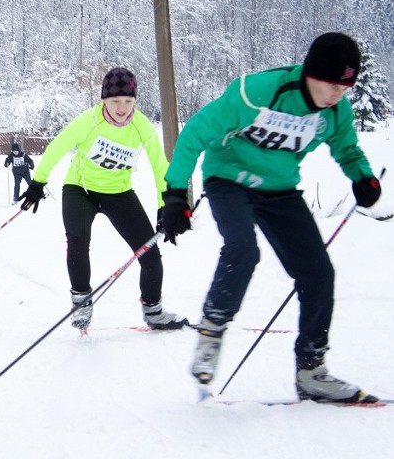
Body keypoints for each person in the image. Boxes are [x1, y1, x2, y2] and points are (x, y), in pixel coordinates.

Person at [161, 32, 381, 403]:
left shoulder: (335, 111)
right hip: (229, 177)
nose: (337, 94)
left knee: (318, 273)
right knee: (243, 249)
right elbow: (196, 132)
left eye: (345, 87)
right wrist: (174, 193)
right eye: (331, 84)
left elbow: (347, 149)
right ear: (311, 73)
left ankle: (311, 369)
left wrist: (363, 177)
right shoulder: (256, 92)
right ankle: (213, 329)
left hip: (279, 189)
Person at [19, 67, 188, 332]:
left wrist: (164, 208)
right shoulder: (89, 121)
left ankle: (154, 311)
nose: (122, 108)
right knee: (77, 239)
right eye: (115, 101)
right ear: (104, 100)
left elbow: (160, 167)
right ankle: (81, 302)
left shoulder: (141, 125)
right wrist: (38, 181)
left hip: (118, 193)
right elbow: (57, 147)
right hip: (80, 190)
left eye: (128, 101)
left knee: (150, 253)